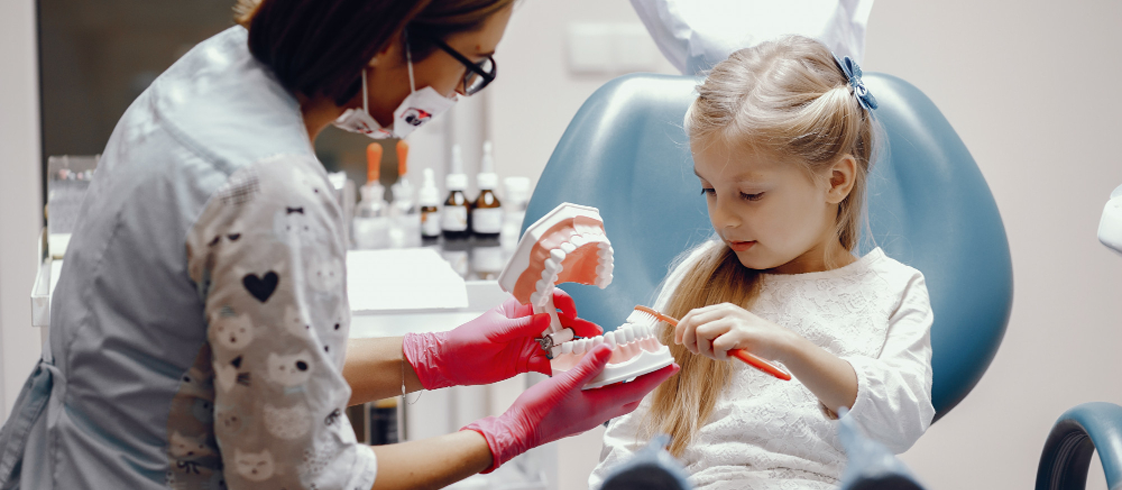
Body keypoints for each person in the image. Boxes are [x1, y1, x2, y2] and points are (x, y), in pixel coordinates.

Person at [0, 1, 676, 489]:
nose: (459, 92)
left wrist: (433, 358)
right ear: (386, 38)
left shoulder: (212, 72)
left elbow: (241, 376)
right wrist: (511, 434)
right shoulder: (274, 192)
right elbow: (310, 481)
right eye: (472, 65)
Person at [589, 36, 935, 490]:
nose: (722, 217)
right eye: (708, 190)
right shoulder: (699, 277)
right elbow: (633, 435)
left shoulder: (895, 289)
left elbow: (901, 421)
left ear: (836, 180)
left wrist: (787, 346)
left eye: (750, 194)